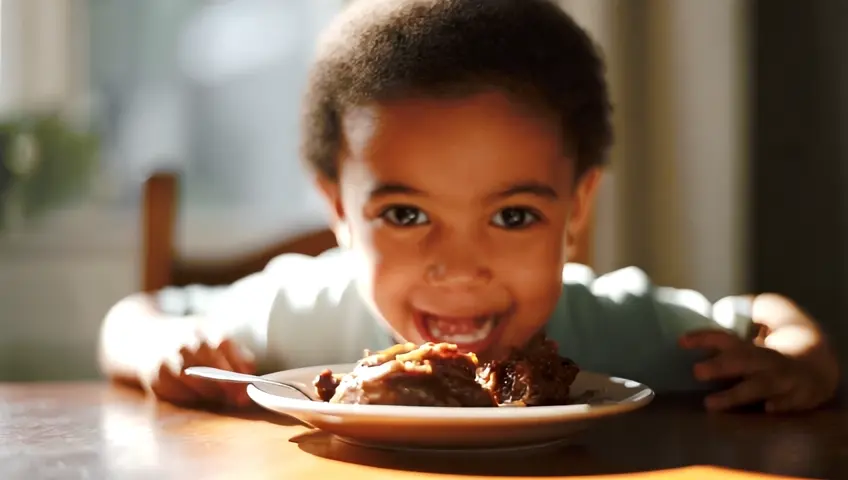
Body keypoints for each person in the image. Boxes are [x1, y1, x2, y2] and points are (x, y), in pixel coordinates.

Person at [98, 0, 839, 413]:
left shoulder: (617, 330)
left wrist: (803, 362)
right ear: (339, 212)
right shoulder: (305, 313)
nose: (457, 267)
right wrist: (161, 350)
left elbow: (768, 315)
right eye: (407, 215)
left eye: (512, 216)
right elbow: (134, 315)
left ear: (576, 209)